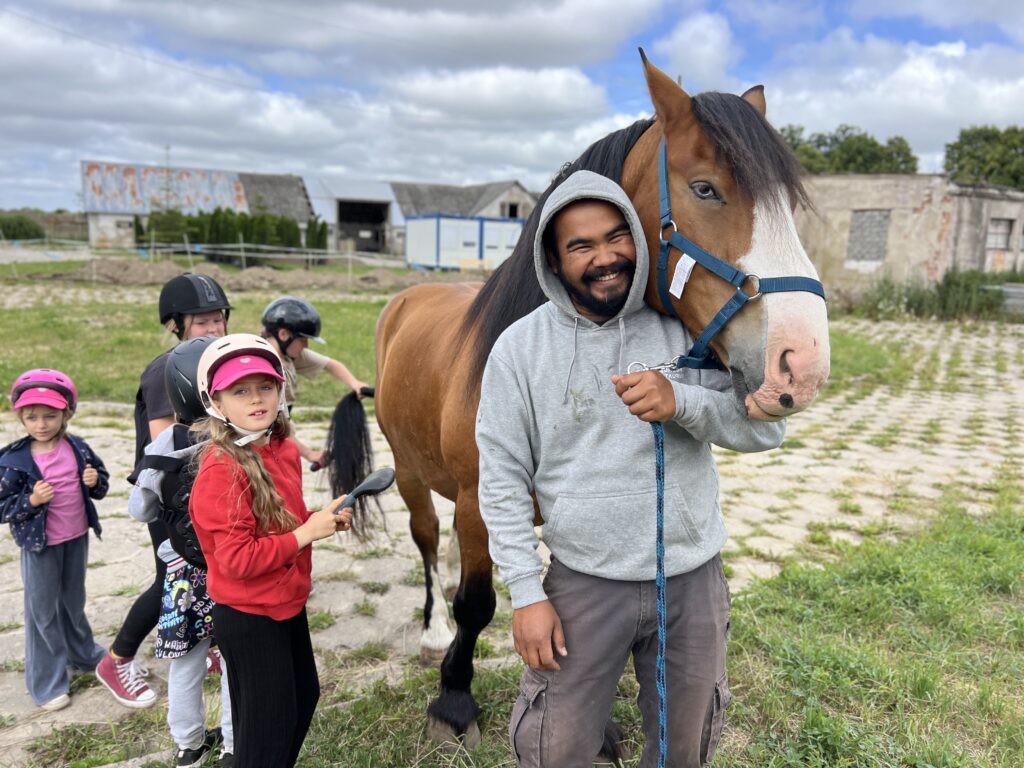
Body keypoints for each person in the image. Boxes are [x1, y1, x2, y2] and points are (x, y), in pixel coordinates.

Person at [476, 171, 785, 767]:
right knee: (554, 750)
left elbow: (767, 430)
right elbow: (503, 478)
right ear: (553, 261)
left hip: (690, 579)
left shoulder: (690, 329)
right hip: (583, 583)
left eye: (617, 237)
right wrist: (525, 592)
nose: (605, 256)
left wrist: (682, 402)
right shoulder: (518, 350)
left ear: (638, 241)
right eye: (581, 245)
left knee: (682, 749)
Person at [188, 333, 353, 767]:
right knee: (267, 731)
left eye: (265, 386)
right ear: (216, 402)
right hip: (249, 616)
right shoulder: (221, 470)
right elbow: (236, 560)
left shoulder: (283, 448)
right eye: (239, 391)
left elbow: (288, 519)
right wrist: (305, 535)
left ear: (281, 390)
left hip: (285, 602)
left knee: (301, 699)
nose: (257, 398)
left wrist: (321, 518)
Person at [96, 272, 231, 709]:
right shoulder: (164, 371)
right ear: (176, 324)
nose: (214, 329)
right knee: (171, 580)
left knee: (210, 574)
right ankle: (117, 659)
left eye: (218, 319)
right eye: (202, 322)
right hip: (170, 495)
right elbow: (167, 446)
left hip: (205, 486)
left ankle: (208, 644)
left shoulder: (214, 364)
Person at [129, 336, 234, 768]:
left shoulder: (164, 444)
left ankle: (189, 745)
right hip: (230, 569)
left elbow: (140, 509)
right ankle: (233, 743)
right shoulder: (234, 438)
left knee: (186, 663)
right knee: (233, 662)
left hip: (183, 575)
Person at [0, 369, 108, 711]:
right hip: (40, 546)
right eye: (32, 417)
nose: (41, 424)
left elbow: (101, 482)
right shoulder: (13, 461)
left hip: (76, 538)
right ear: (20, 417)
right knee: (43, 613)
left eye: (50, 415)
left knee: (73, 602)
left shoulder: (77, 447)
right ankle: (47, 682)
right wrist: (31, 501)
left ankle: (83, 654)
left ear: (67, 413)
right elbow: (3, 507)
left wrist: (94, 481)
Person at [260, 296, 369, 465]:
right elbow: (276, 426)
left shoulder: (287, 354)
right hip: (268, 441)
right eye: (303, 340)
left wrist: (354, 383)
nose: (306, 346)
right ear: (283, 334)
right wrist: (310, 454)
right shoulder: (270, 368)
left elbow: (330, 364)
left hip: (282, 434)